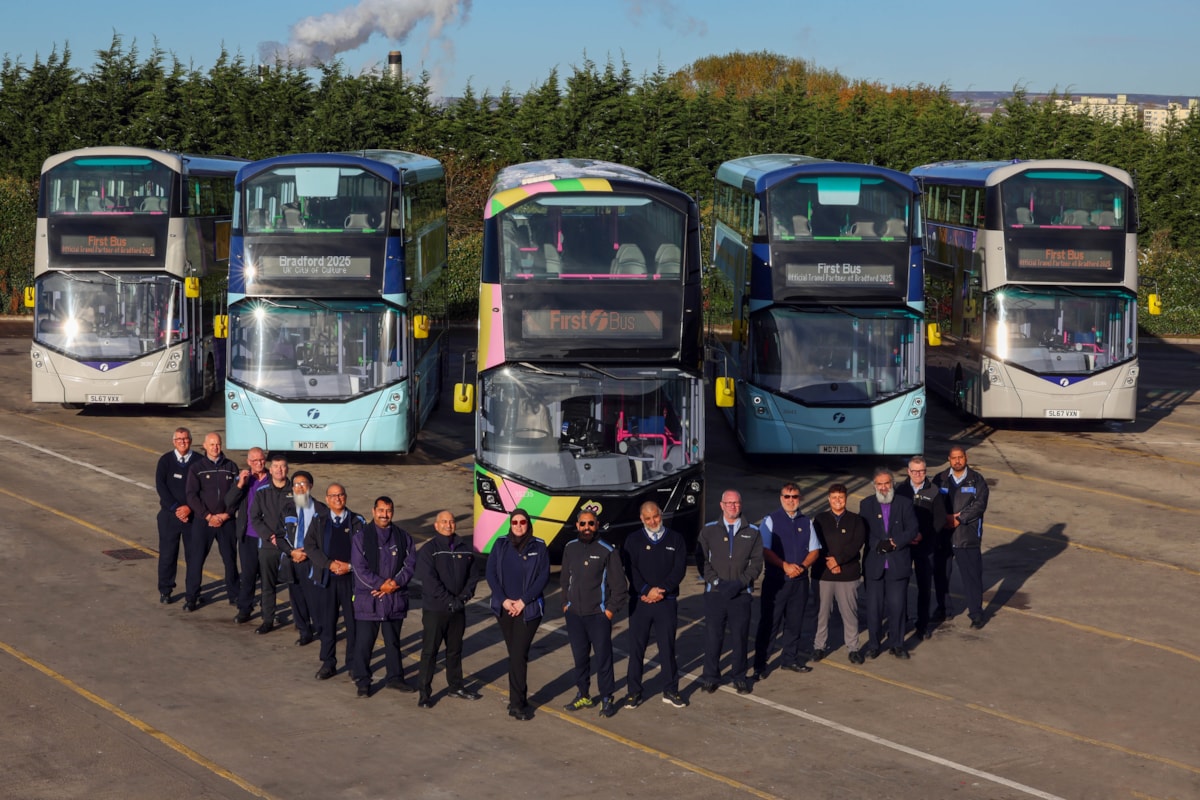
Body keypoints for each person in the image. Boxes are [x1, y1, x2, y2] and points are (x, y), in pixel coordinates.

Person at [560, 510, 628, 719]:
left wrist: (608, 611)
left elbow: (620, 587)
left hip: (597, 617)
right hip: (575, 616)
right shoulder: (570, 548)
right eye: (583, 524)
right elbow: (564, 580)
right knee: (580, 659)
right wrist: (566, 604)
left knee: (603, 659)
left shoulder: (607, 551)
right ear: (577, 525)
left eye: (590, 523)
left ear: (597, 525)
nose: (586, 527)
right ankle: (583, 694)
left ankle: (607, 697)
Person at [621, 502, 688, 709]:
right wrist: (645, 591)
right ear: (642, 519)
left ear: (661, 515)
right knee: (637, 649)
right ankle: (634, 692)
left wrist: (661, 591)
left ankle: (670, 690)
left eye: (656, 517)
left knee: (667, 648)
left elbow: (679, 569)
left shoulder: (676, 539)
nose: (653, 522)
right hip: (640, 603)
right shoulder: (632, 540)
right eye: (648, 518)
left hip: (665, 603)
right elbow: (630, 569)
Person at [696, 490, 763, 694]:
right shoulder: (708, 531)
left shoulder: (753, 531)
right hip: (715, 594)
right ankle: (710, 676)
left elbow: (757, 563)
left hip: (741, 594)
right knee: (713, 636)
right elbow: (702, 561)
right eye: (729, 503)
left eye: (737, 503)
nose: (733, 506)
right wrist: (717, 582)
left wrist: (739, 584)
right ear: (721, 505)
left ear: (741, 505)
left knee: (740, 637)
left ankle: (739, 676)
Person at [415, 511, 484, 708]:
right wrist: (449, 600)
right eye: (444, 522)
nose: (448, 525)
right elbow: (429, 581)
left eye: (451, 521)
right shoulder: (429, 550)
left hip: (458, 609)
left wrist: (462, 598)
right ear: (436, 526)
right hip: (435, 610)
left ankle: (456, 686)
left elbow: (473, 576)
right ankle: (424, 693)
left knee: (454, 650)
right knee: (430, 652)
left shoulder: (464, 548)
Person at [486, 509, 549, 721]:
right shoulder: (500, 544)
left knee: (518, 653)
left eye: (523, 522)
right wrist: (504, 600)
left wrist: (523, 601)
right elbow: (490, 573)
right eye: (515, 522)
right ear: (510, 524)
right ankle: (518, 700)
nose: (519, 526)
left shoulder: (539, 546)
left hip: (528, 610)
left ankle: (517, 704)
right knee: (515, 655)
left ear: (528, 524)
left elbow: (543, 577)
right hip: (505, 609)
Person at [350, 496, 417, 697]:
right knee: (364, 644)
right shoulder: (360, 538)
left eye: (388, 510)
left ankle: (395, 678)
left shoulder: (403, 537)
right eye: (380, 510)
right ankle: (363, 680)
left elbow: (410, 564)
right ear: (373, 511)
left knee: (393, 642)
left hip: (393, 598)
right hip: (368, 599)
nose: (384, 514)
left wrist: (394, 584)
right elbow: (359, 568)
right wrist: (380, 584)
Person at [753, 483, 821, 679]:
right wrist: (785, 566)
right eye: (787, 496)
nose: (791, 500)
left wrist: (802, 566)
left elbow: (815, 550)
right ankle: (760, 664)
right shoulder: (770, 520)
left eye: (795, 497)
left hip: (799, 582)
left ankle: (789, 659)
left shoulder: (806, 522)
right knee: (769, 623)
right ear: (780, 498)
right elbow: (765, 550)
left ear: (800, 498)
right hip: (777, 581)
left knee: (795, 623)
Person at [304, 483, 364, 682]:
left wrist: (349, 566)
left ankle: (354, 663)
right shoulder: (319, 519)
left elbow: (366, 551)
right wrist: (329, 564)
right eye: (333, 496)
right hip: (327, 579)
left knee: (353, 624)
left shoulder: (357, 521)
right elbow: (310, 546)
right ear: (327, 499)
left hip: (351, 580)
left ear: (346, 497)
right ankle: (328, 662)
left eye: (341, 495)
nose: (337, 499)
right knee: (327, 623)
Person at [859, 468, 919, 659]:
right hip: (874, 565)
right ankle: (874, 645)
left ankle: (898, 644)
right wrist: (878, 544)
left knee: (897, 606)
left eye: (887, 483)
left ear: (892, 483)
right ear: (874, 486)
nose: (884, 488)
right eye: (880, 484)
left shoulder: (905, 503)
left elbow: (913, 528)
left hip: (897, 563)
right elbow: (863, 532)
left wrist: (895, 542)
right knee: (874, 609)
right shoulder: (866, 504)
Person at [934, 446, 991, 629]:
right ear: (949, 459)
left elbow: (979, 504)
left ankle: (976, 614)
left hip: (967, 537)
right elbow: (932, 501)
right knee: (941, 575)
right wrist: (944, 518)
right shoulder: (940, 479)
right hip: (943, 536)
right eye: (954, 458)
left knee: (972, 577)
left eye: (960, 457)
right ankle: (943, 609)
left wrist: (959, 519)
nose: (957, 461)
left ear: (966, 458)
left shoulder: (977, 480)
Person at [183, 432, 240, 612]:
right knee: (196, 559)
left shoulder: (231, 467)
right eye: (212, 444)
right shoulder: (196, 468)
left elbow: (238, 494)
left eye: (218, 444)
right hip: (203, 522)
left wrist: (227, 515)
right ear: (204, 446)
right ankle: (192, 597)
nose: (215, 447)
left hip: (227, 521)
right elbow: (191, 495)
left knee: (230, 560)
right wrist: (207, 516)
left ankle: (234, 595)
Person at [811, 484, 868, 664]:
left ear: (846, 498)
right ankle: (819, 647)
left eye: (841, 497)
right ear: (828, 499)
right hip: (823, 574)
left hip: (847, 575)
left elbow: (856, 545)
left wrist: (839, 561)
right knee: (822, 613)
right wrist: (830, 562)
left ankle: (853, 648)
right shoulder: (819, 519)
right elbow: (816, 543)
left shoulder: (856, 520)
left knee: (849, 613)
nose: (837, 501)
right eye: (834, 497)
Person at [896, 456, 947, 640]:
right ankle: (901, 622)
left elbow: (940, 520)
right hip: (904, 546)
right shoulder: (900, 490)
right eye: (915, 471)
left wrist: (922, 535)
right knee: (899, 585)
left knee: (924, 587)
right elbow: (895, 518)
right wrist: (905, 537)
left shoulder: (934, 491)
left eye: (922, 471)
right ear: (908, 471)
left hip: (925, 547)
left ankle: (922, 625)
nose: (919, 475)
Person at [248, 453, 293, 634]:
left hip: (291, 547)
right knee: (268, 585)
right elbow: (255, 518)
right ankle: (268, 620)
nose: (279, 470)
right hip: (269, 546)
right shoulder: (262, 492)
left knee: (297, 586)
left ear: (287, 468)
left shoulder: (297, 491)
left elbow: (306, 517)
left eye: (282, 466)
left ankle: (302, 622)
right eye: (276, 466)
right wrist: (270, 536)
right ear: (270, 468)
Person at [225, 447, 269, 624]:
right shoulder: (243, 479)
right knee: (248, 575)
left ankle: (268, 611)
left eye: (262, 460)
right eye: (255, 461)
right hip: (248, 535)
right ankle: (245, 608)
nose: (259, 464)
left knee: (268, 576)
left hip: (267, 536)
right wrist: (239, 485)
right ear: (248, 462)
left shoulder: (273, 479)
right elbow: (229, 502)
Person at [284, 471, 326, 646]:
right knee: (297, 598)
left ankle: (322, 630)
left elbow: (325, 539)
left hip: (312, 560)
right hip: (293, 559)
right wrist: (291, 552)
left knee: (315, 598)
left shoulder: (321, 510)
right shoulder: (288, 508)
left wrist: (308, 553)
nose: (299, 488)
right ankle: (304, 631)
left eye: (303, 484)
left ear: (311, 486)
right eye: (296, 485)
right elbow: (280, 535)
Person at [155, 427, 193, 604]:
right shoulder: (165, 461)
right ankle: (165, 590)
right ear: (173, 442)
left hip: (192, 517)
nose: (182, 442)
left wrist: (189, 508)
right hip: (169, 516)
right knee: (168, 555)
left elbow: (201, 490)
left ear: (190, 440)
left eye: (185, 439)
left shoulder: (199, 461)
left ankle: (193, 592)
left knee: (194, 557)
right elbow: (161, 487)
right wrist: (176, 508)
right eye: (179, 439)